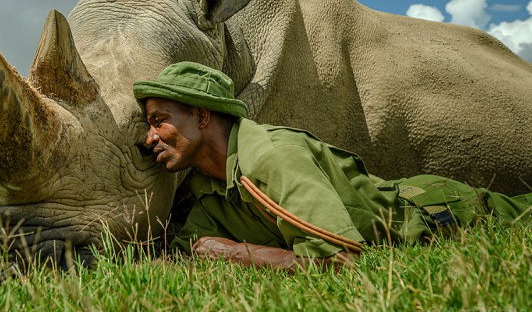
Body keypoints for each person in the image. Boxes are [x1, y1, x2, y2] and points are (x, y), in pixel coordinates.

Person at [132, 61, 532, 272]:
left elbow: (340, 261)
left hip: (444, 210)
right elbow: (192, 254)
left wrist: (237, 253)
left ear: (202, 117)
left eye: (159, 121)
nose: (150, 139)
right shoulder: (208, 185)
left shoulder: (272, 157)